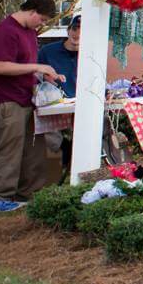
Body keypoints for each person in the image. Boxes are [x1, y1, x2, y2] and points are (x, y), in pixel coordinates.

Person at [0, 0, 65, 212]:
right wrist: (37, 67)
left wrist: (43, 76)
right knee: (8, 150)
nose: (42, 24)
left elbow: (23, 66)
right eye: (42, 19)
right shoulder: (6, 31)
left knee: (34, 149)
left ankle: (28, 194)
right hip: (5, 100)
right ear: (32, 11)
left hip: (26, 98)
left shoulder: (29, 33)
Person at [37, 15, 81, 172]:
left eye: (82, 30)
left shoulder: (91, 53)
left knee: (102, 121)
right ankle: (64, 148)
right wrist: (44, 76)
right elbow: (35, 73)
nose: (77, 33)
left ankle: (82, 156)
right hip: (54, 101)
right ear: (68, 30)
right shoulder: (48, 51)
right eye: (75, 29)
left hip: (81, 102)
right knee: (40, 122)